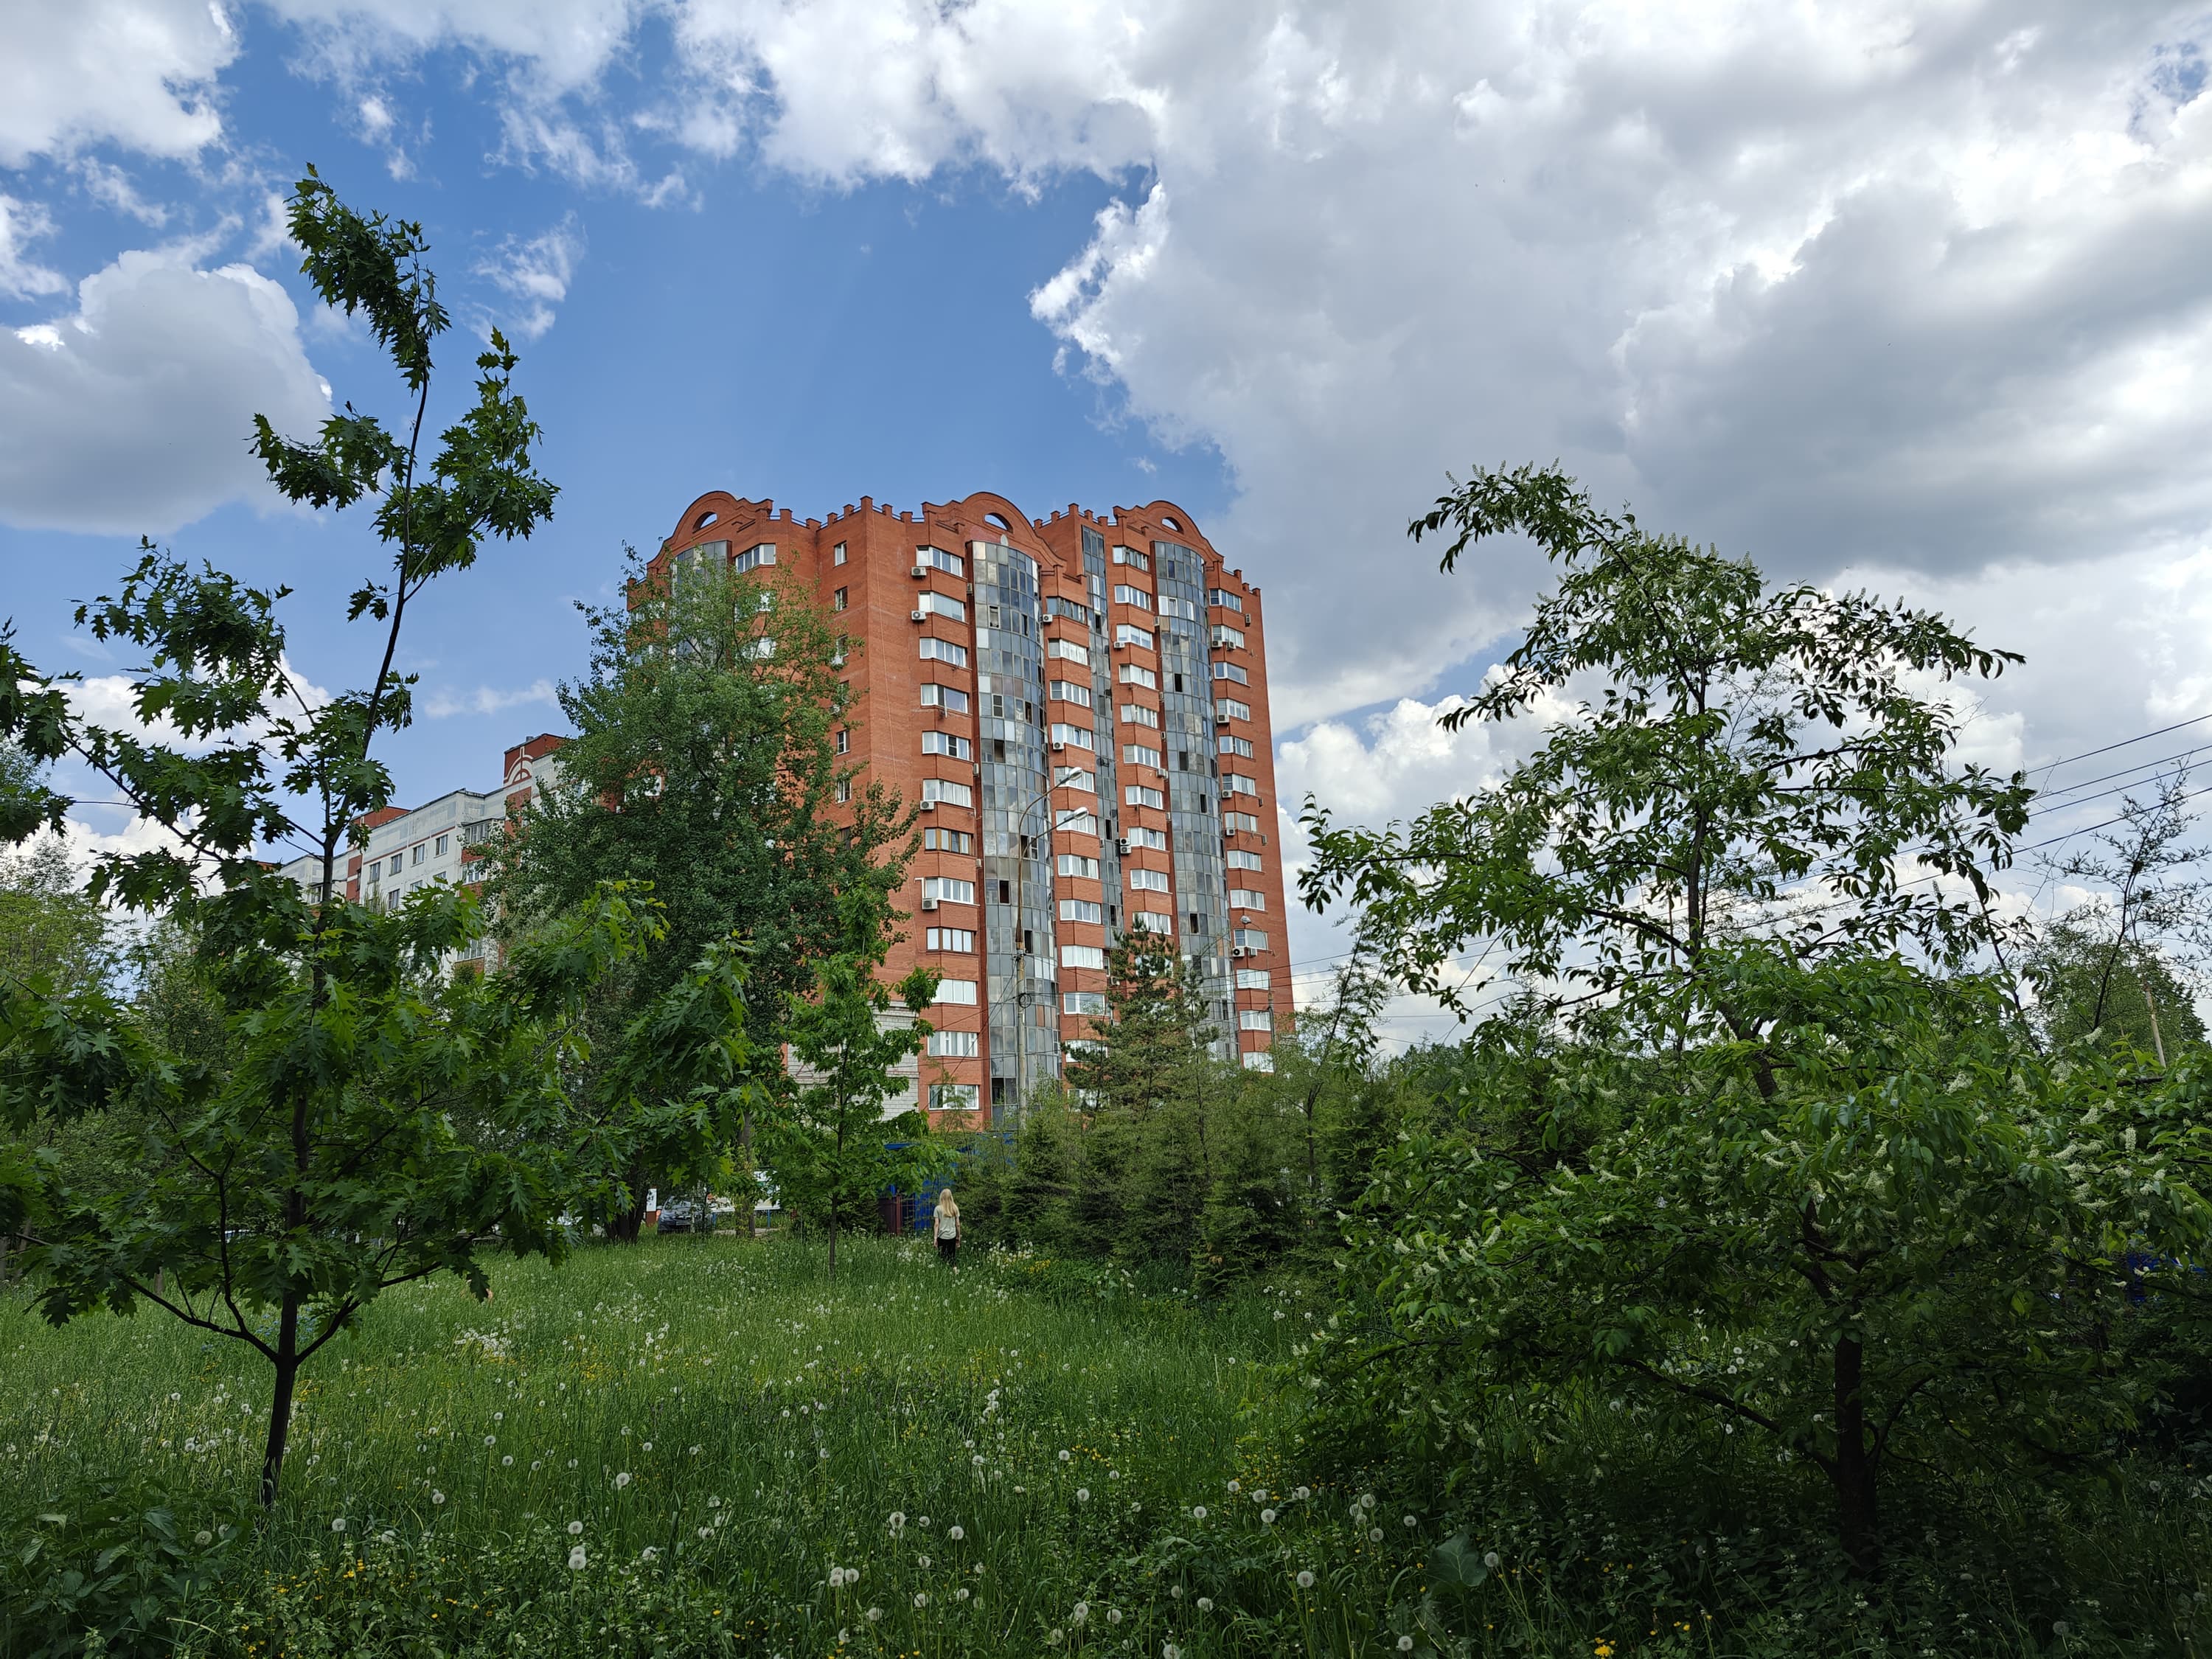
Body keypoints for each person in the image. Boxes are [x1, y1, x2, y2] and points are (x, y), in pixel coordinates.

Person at [933, 1187, 961, 1265]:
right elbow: (958, 1224)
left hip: (942, 1236)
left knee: (942, 1258)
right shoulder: (955, 1208)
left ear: (941, 1197)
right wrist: (958, 1237)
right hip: (952, 1236)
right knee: (952, 1257)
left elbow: (936, 1224)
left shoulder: (938, 1209)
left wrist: (935, 1238)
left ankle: (943, 1271)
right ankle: (955, 1270)